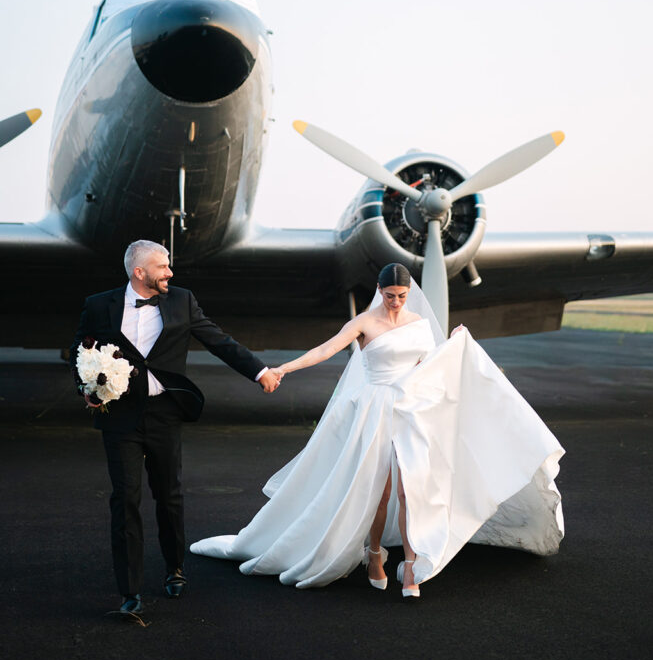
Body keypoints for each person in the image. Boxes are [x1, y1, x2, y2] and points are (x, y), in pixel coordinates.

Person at [190, 263, 565, 597]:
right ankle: (374, 556)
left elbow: (431, 365)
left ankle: (412, 568)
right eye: (390, 296)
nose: (396, 302)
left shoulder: (418, 323)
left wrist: (456, 347)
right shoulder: (364, 322)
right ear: (379, 291)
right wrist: (284, 369)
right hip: (374, 408)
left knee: (411, 487)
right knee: (380, 491)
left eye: (402, 296)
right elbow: (324, 350)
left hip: (411, 410)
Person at [70, 239, 281, 617]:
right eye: (162, 266)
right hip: (119, 418)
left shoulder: (182, 300)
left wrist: (260, 371)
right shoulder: (99, 305)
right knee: (125, 500)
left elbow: (219, 341)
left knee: (169, 496)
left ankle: (175, 568)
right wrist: (88, 389)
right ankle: (129, 590)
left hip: (165, 413)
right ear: (139, 272)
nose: (170, 272)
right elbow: (80, 351)